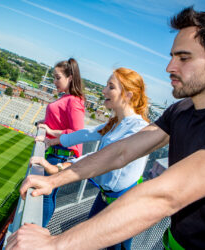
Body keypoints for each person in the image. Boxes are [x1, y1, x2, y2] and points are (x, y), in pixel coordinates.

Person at [6, 7, 205, 250]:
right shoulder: (180, 111)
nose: (169, 67)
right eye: (172, 56)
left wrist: (54, 245)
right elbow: (121, 151)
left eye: (183, 58)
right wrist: (55, 180)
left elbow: (166, 195)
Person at [32, 67, 149, 249]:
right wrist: (54, 139)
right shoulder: (118, 122)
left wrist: (61, 168)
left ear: (128, 95)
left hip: (122, 207)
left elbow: (102, 157)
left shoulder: (138, 128)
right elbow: (87, 133)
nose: (104, 91)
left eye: (111, 87)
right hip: (106, 198)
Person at [37, 58, 85, 227]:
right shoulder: (67, 98)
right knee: (47, 195)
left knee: (46, 195)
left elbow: (77, 133)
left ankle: (38, 230)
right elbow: (60, 122)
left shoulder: (74, 100)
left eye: (58, 78)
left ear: (70, 78)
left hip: (59, 155)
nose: (54, 81)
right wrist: (45, 124)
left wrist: (50, 132)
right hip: (55, 152)